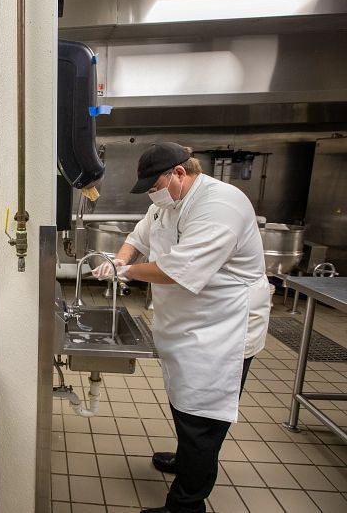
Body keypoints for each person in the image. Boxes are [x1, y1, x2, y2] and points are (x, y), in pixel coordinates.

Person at [92, 142, 270, 513]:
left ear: (179, 172)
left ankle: (187, 504)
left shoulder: (220, 205)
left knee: (203, 418)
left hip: (221, 331)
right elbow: (138, 238)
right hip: (188, 326)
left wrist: (125, 271)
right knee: (184, 404)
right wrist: (117, 258)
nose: (152, 195)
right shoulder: (168, 203)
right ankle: (186, 459)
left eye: (154, 185)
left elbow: (178, 270)